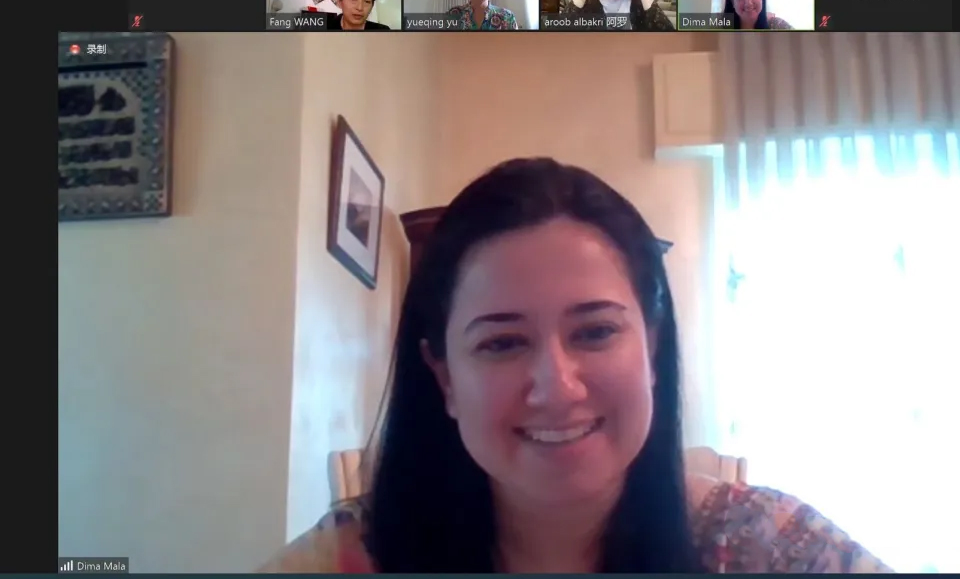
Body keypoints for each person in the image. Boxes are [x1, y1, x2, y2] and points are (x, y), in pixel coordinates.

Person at [258, 158, 893, 573]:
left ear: (651, 348)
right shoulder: (349, 556)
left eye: (595, 332)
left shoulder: (766, 546)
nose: (557, 387)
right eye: (502, 343)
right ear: (445, 376)